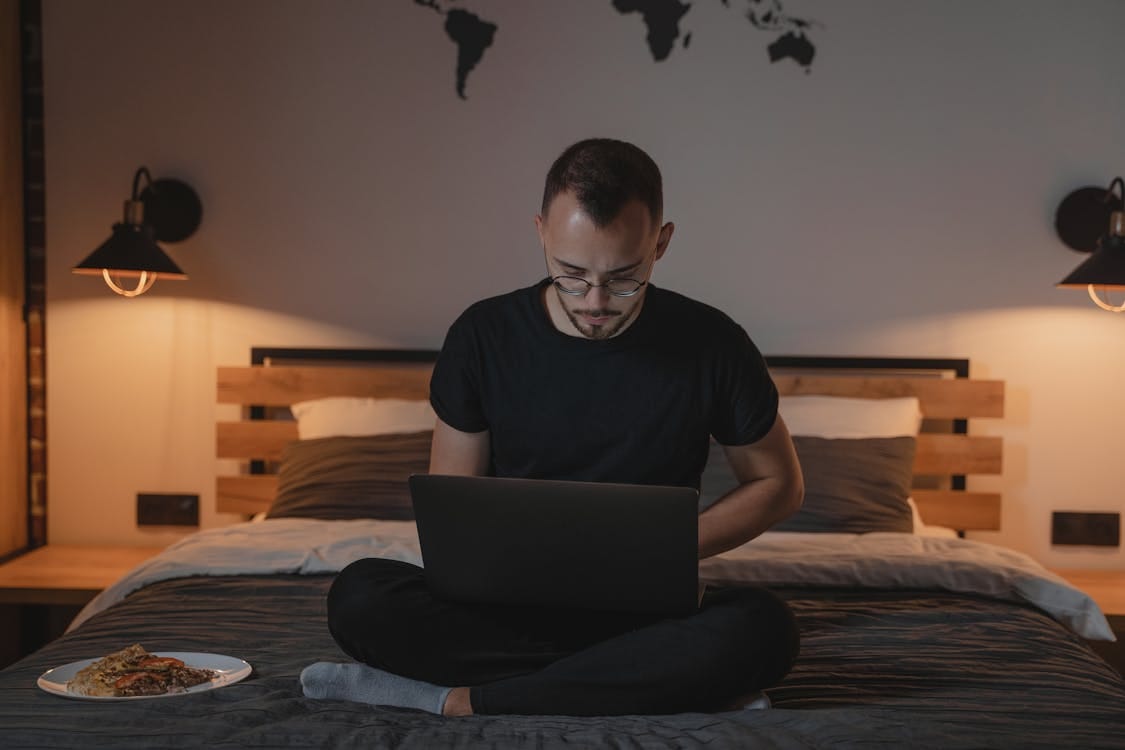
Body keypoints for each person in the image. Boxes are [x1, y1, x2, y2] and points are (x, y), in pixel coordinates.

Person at [301, 137, 804, 717]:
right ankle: (641, 681)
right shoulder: (482, 336)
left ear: (660, 244)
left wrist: (666, 553)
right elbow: (455, 506)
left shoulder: (713, 342)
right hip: (506, 612)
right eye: (570, 273)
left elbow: (779, 483)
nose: (594, 300)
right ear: (541, 230)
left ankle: (466, 699)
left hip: (645, 610)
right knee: (358, 595)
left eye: (623, 277)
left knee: (765, 628)